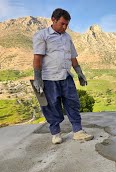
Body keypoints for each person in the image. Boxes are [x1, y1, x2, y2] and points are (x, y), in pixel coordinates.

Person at [32, 8, 93, 144]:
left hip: (66, 76)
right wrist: (37, 78)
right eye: (62, 24)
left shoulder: (67, 37)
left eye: (67, 24)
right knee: (51, 106)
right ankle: (56, 133)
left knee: (73, 103)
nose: (65, 27)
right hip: (49, 78)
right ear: (53, 20)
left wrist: (80, 73)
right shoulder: (42, 35)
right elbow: (37, 57)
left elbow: (73, 57)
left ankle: (78, 131)